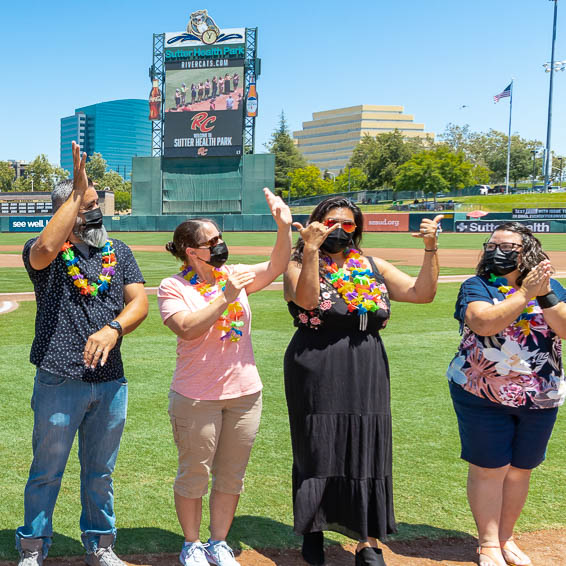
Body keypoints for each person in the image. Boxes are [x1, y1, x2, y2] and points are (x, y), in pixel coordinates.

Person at [283, 196, 442, 566]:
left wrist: (431, 249)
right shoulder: (297, 263)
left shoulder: (372, 266)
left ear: (357, 230)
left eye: (348, 224)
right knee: (319, 445)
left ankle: (368, 541)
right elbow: (307, 301)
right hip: (316, 362)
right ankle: (313, 528)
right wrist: (310, 250)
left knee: (366, 446)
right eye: (330, 222)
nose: (339, 229)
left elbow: (422, 294)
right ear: (316, 223)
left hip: (367, 362)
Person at [16, 141, 148, 566]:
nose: (95, 212)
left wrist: (114, 329)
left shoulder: (119, 252)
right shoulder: (48, 253)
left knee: (100, 472)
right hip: (59, 378)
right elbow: (42, 252)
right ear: (67, 211)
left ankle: (100, 545)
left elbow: (139, 303)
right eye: (85, 205)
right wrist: (74, 192)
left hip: (110, 382)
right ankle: (33, 548)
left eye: (95, 204)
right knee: (47, 471)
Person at [157, 188, 292, 566]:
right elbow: (186, 328)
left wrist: (284, 229)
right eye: (211, 241)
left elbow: (276, 266)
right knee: (194, 475)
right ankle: (191, 544)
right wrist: (224, 297)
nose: (220, 245)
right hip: (197, 396)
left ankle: (219, 542)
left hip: (245, 394)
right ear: (191, 251)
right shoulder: (174, 287)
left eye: (220, 238)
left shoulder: (232, 275)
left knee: (232, 476)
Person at [446, 222, 566, 566]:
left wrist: (542, 293)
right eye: (492, 245)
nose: (497, 251)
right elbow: (483, 323)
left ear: (526, 252)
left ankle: (506, 538)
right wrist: (524, 294)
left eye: (508, 247)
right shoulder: (477, 286)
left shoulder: (552, 288)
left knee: (519, 469)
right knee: (489, 468)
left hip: (539, 395)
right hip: (482, 392)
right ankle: (487, 544)